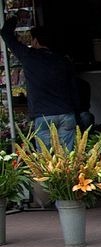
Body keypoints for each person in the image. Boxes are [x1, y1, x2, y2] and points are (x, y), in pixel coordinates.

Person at [1, 18, 79, 150]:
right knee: (68, 160)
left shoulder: (29, 56)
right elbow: (74, 89)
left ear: (35, 41)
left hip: (43, 116)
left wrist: (14, 18)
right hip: (66, 113)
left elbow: (6, 34)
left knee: (46, 162)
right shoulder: (63, 60)